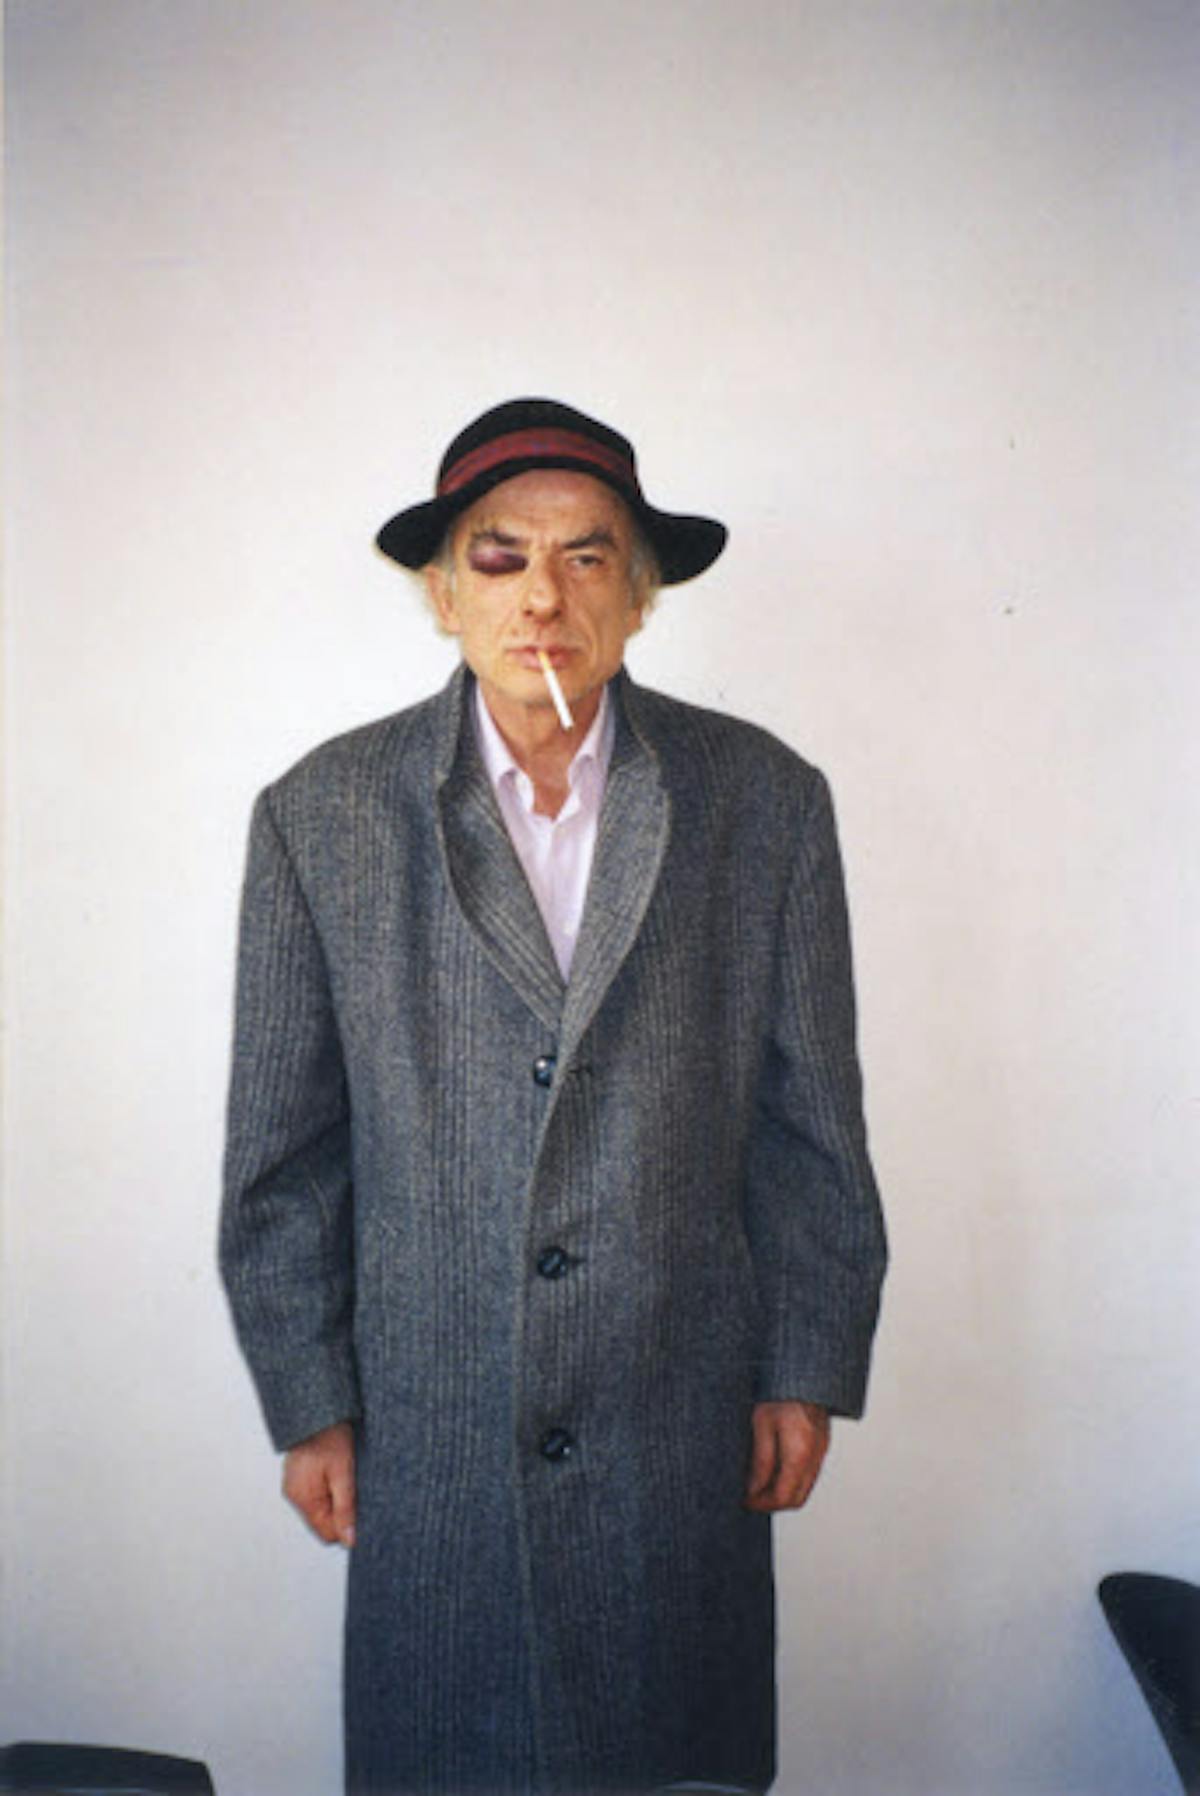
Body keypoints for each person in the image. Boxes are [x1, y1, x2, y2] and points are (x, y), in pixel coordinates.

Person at [220, 397, 887, 1796]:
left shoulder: (764, 803)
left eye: (588, 557)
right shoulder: (322, 816)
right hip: (432, 1424)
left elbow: (812, 1123)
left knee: (673, 1759)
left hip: (679, 1416)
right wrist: (310, 1398)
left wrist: (804, 1365)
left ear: (639, 596)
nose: (543, 595)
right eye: (502, 554)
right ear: (443, 590)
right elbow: (284, 1157)